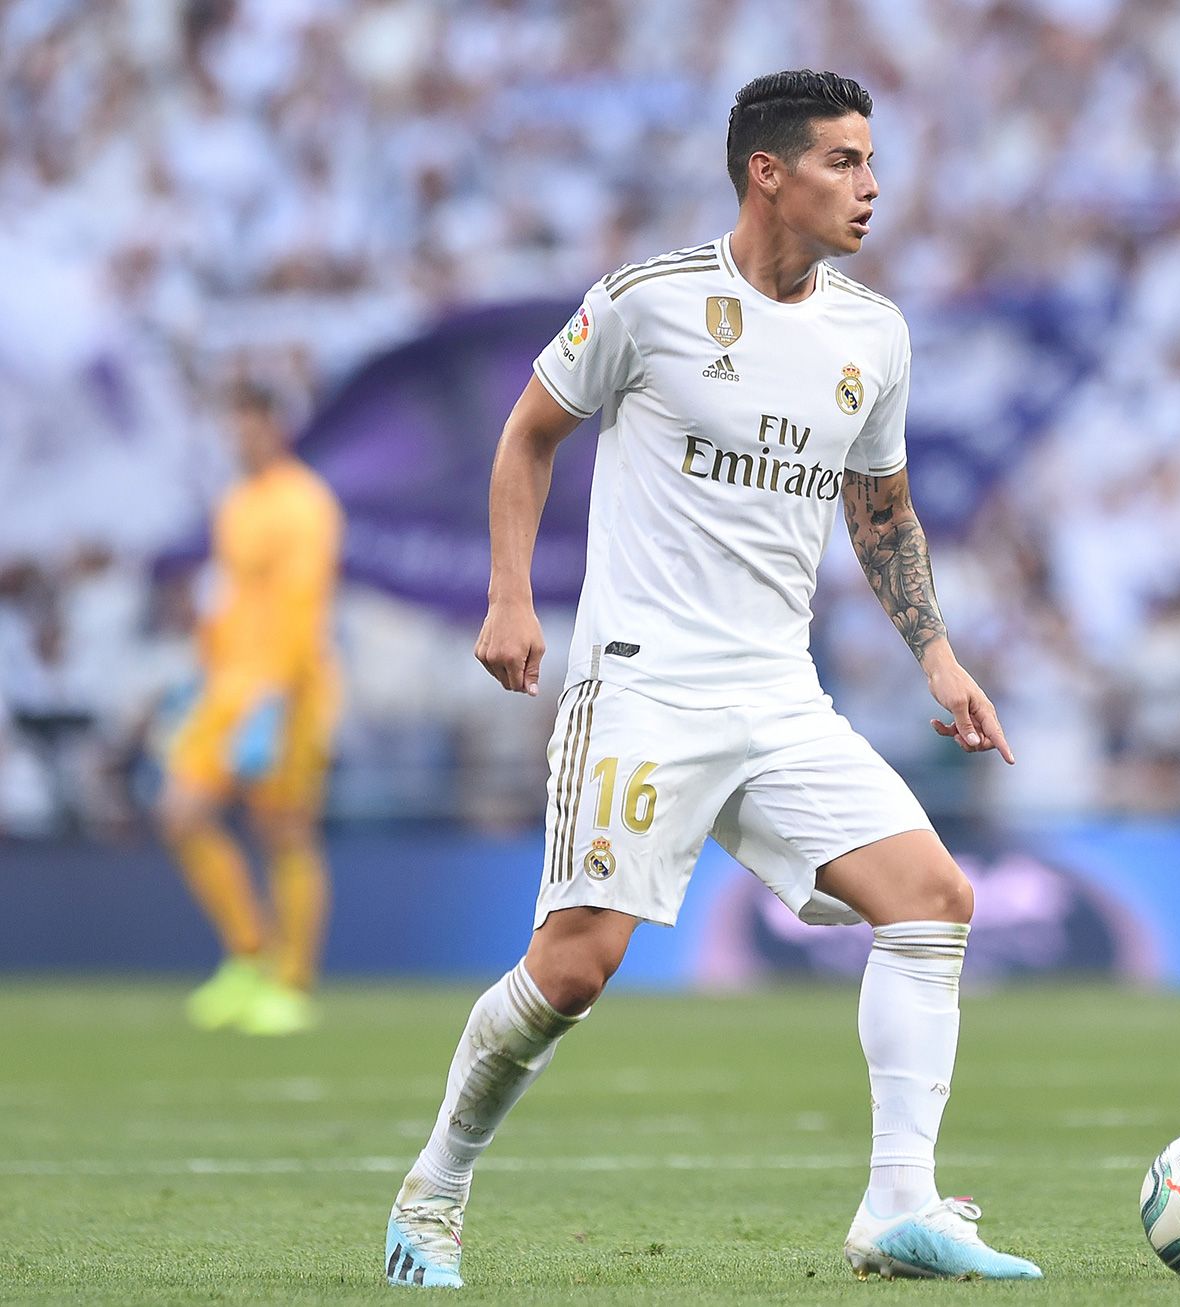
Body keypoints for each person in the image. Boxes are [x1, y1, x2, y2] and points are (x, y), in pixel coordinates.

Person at [382, 70, 1040, 1288]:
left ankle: (897, 1206)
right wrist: (512, 596)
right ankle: (434, 1188)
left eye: (873, 160)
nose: (873, 186)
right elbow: (530, 431)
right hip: (642, 687)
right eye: (845, 161)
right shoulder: (648, 303)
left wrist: (938, 654)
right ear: (767, 172)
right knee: (575, 967)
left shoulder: (872, 334)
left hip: (779, 695)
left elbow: (881, 508)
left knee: (933, 898)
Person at [158, 381, 343, 1036]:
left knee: (285, 829)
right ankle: (248, 953)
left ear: (274, 425)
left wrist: (274, 695)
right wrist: (202, 676)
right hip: (228, 687)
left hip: (285, 690)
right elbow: (227, 602)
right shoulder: (235, 504)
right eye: (230, 423)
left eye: (248, 422)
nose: (239, 436)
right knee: (181, 813)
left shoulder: (305, 502)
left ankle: (292, 983)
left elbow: (302, 607)